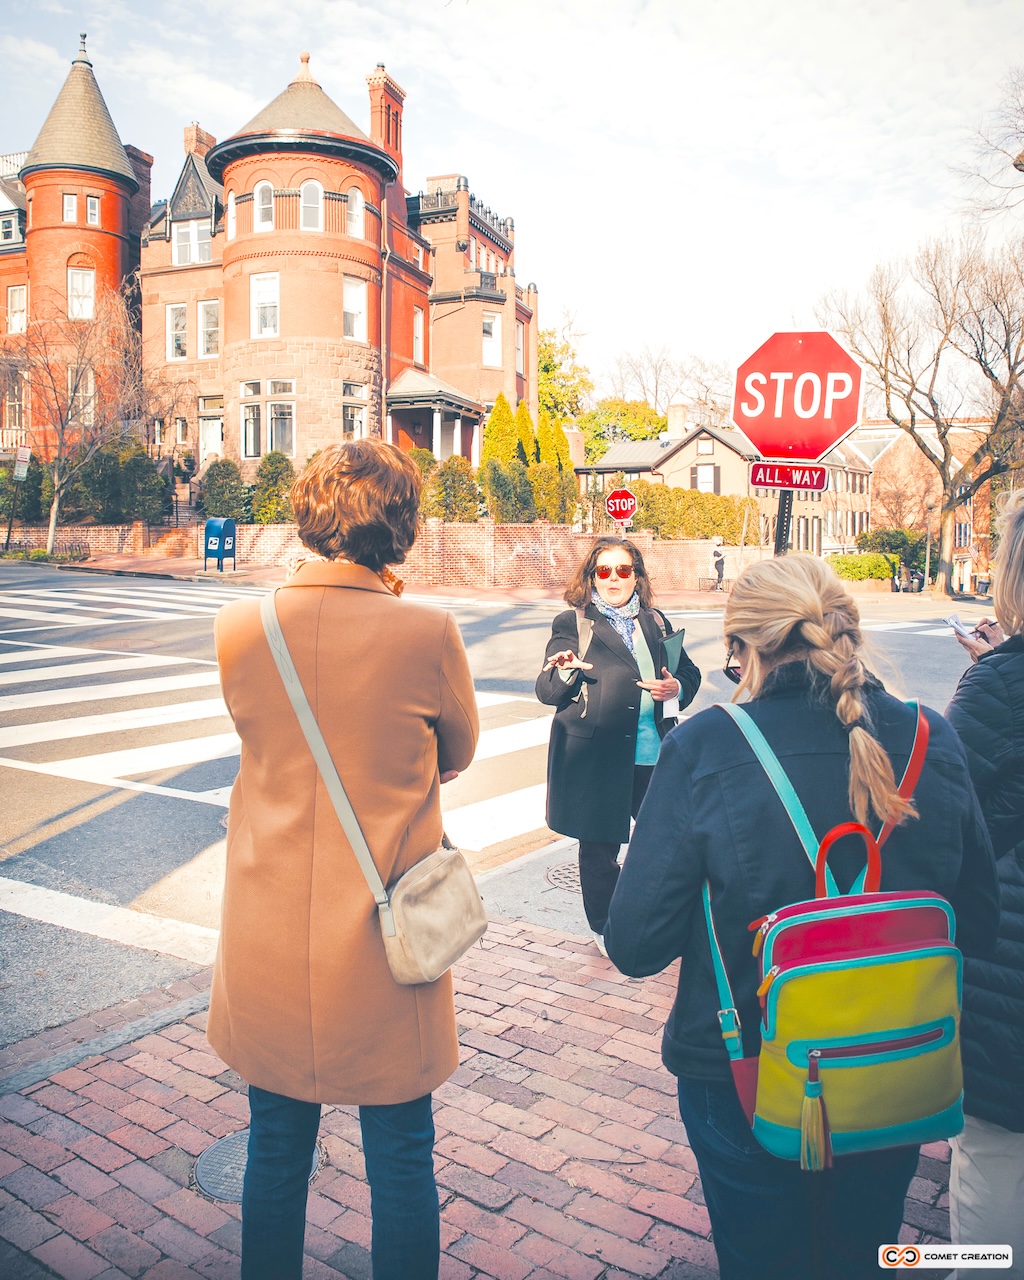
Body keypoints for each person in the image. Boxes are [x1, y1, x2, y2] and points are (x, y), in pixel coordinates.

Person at [604, 554, 999, 1280]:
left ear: (744, 649)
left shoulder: (707, 745)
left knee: (762, 1259)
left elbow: (634, 944)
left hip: (747, 1069)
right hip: (893, 1060)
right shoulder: (929, 740)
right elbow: (976, 921)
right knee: (870, 1251)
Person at [207, 441, 479, 1280]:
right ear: (400, 527)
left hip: (271, 933)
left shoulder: (240, 625)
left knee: (275, 1148)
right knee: (402, 1156)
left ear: (310, 515)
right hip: (382, 934)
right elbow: (457, 750)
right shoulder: (426, 632)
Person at [535, 535, 700, 952]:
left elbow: (690, 673)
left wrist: (675, 685)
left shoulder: (655, 621)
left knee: (667, 844)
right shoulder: (573, 624)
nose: (613, 579)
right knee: (599, 850)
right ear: (591, 576)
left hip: (653, 753)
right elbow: (547, 689)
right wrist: (567, 671)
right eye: (603, 570)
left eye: (623, 570)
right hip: (598, 757)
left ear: (636, 576)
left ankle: (660, 917)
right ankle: (605, 928)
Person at [945, 490, 1024, 1279]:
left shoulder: (1001, 684)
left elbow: (946, 820)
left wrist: (996, 671)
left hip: (1007, 974)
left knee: (993, 1172)